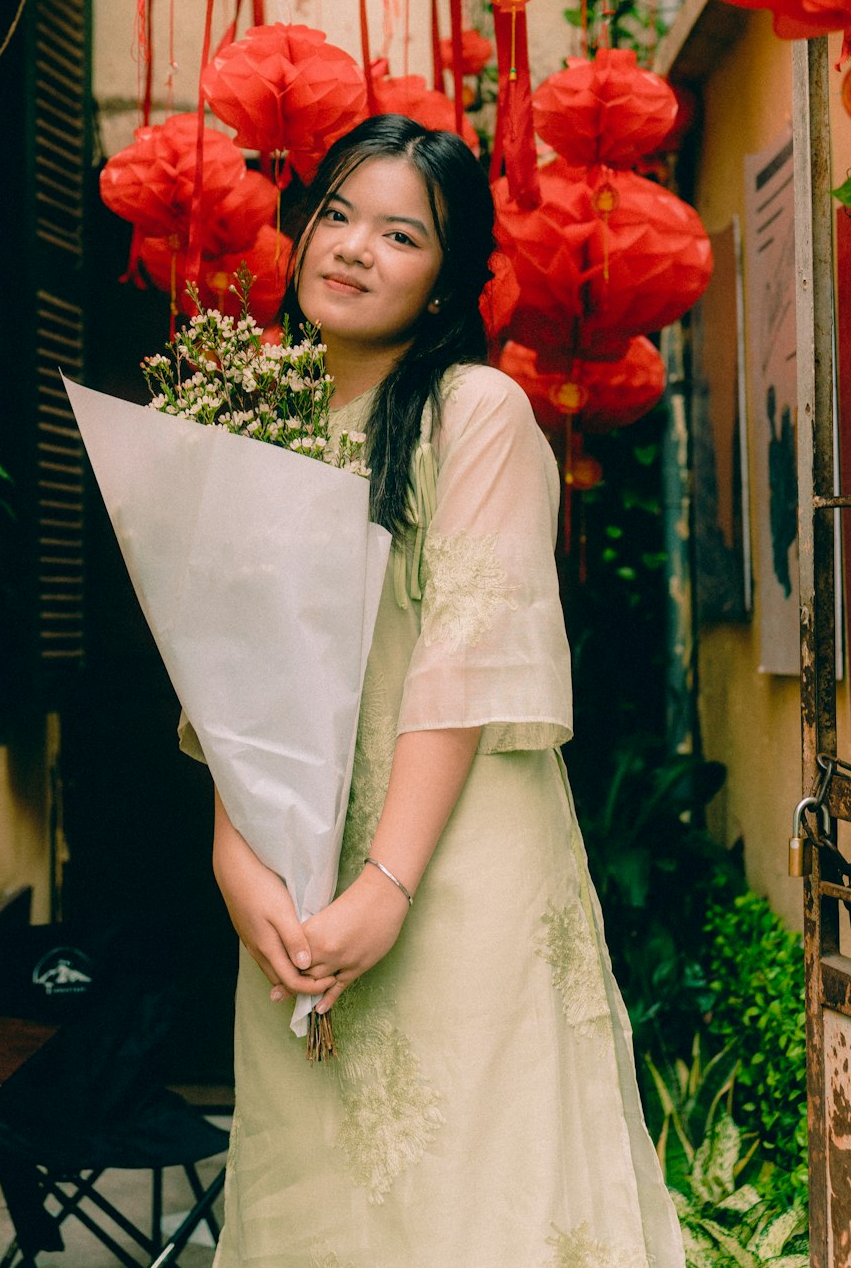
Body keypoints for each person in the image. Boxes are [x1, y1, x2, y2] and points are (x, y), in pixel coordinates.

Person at [180, 115, 685, 1267]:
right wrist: (235, 858)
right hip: (294, 886)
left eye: (400, 234)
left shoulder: (477, 415)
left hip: (450, 869)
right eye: (338, 215)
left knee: (471, 1196)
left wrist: (388, 887)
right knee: (317, 1207)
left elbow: (464, 661)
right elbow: (232, 677)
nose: (354, 248)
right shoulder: (254, 423)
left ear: (451, 278)